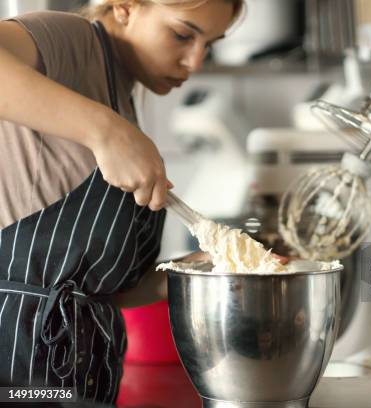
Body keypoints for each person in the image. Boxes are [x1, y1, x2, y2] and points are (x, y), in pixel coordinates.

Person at [0, 0, 243, 404]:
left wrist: (176, 279)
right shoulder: (71, 40)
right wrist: (105, 131)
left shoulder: (122, 93)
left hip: (83, 379)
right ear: (126, 6)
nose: (196, 62)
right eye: (183, 34)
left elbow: (90, 288)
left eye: (210, 45)